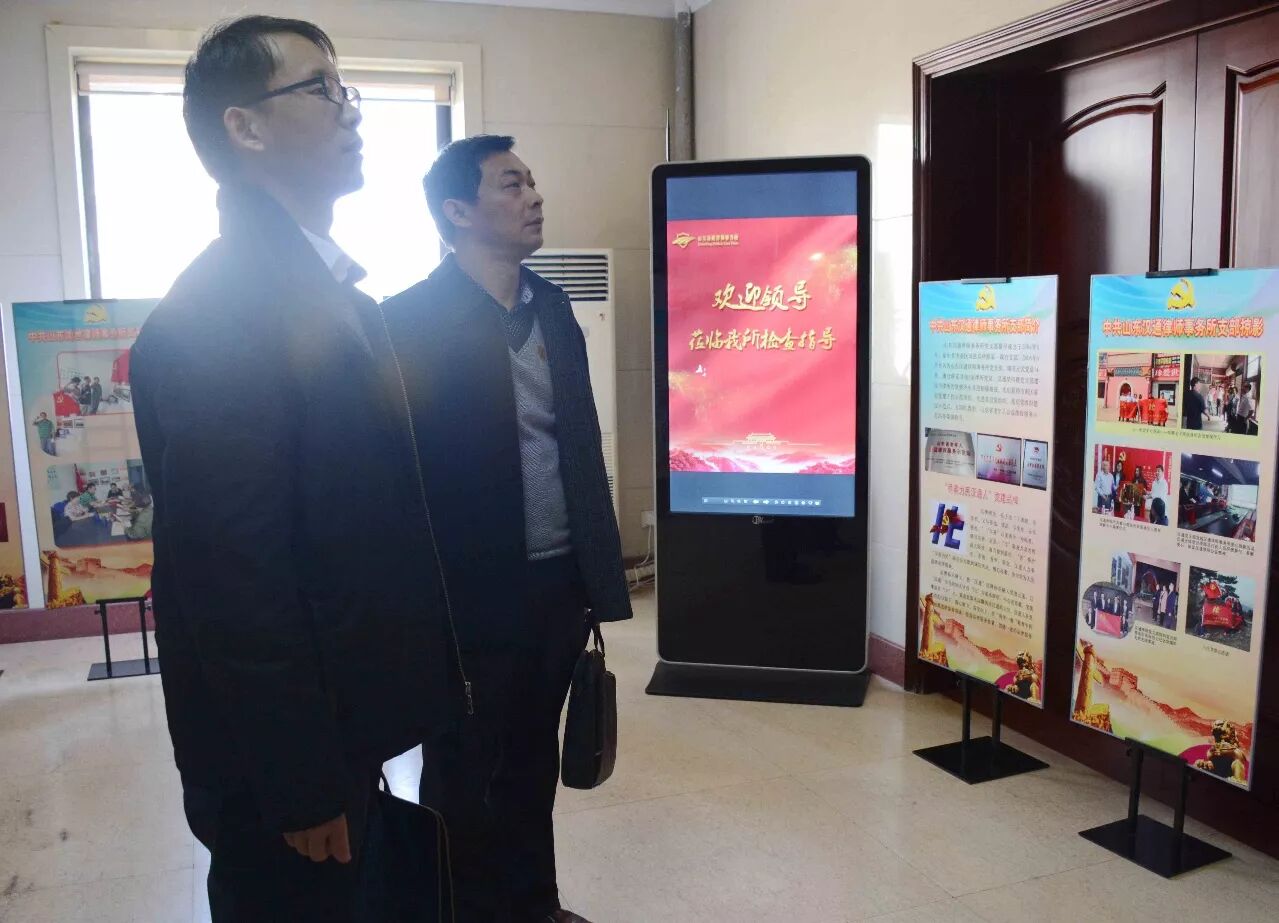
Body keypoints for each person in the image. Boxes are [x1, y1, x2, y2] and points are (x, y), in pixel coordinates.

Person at [129, 16, 456, 920]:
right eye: (319, 88)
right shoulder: (222, 314)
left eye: (345, 87)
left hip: (339, 731)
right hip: (282, 769)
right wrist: (300, 779)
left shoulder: (322, 293)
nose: (350, 110)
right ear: (244, 127)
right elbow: (233, 576)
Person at [380, 135, 632, 923]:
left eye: (531, 181)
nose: (533, 196)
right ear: (457, 211)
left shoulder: (552, 307)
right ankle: (456, 910)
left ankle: (533, 904)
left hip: (555, 582)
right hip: (462, 593)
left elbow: (579, 446)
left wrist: (597, 578)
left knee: (530, 760)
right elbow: (393, 476)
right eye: (511, 184)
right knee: (462, 767)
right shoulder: (406, 322)